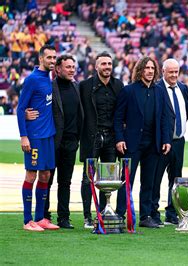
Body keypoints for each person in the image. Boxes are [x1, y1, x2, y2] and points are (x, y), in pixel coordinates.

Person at [26, 54, 83, 229]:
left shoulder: (76, 87)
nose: (72, 69)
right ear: (58, 69)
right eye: (68, 67)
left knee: (65, 182)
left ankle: (64, 218)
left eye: (73, 67)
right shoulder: (50, 87)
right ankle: (43, 215)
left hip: (72, 142)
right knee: (47, 179)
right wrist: (26, 114)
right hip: (52, 141)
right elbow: (33, 106)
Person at [114, 56, 172, 228]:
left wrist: (166, 139)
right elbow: (118, 118)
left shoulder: (159, 91)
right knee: (127, 181)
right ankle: (120, 215)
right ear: (140, 70)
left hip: (153, 144)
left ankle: (145, 216)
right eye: (146, 68)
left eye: (152, 68)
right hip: (131, 144)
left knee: (149, 182)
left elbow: (164, 118)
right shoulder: (128, 90)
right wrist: (119, 139)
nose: (149, 71)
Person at [16, 44, 59, 231]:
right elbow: (20, 108)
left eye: (54, 58)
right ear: (41, 58)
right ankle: (28, 220)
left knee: (46, 174)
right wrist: (24, 136)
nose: (52, 61)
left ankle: (41, 218)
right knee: (31, 174)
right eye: (49, 57)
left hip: (48, 135)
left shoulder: (49, 79)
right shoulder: (32, 79)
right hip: (34, 136)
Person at [79, 52, 124, 228]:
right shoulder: (84, 86)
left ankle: (103, 213)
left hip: (111, 138)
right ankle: (86, 216)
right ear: (96, 66)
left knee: (107, 179)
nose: (107, 67)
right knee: (87, 178)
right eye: (103, 64)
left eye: (109, 64)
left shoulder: (118, 85)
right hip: (92, 137)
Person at [152, 58, 188, 226]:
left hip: (179, 141)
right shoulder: (156, 88)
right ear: (163, 72)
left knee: (175, 179)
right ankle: (153, 212)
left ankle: (172, 212)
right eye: (171, 72)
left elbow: (187, 111)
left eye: (176, 72)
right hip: (161, 142)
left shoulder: (183, 88)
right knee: (156, 178)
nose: (174, 75)